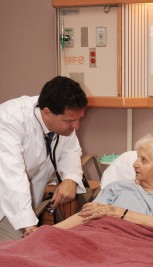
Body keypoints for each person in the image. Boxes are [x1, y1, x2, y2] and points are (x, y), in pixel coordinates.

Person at [0, 76, 88, 241]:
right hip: (7, 195)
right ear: (47, 113)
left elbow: (71, 151)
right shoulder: (9, 120)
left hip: (21, 199)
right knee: (16, 253)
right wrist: (28, 225)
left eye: (79, 119)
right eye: (70, 120)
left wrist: (70, 178)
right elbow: (13, 177)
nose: (77, 126)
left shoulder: (63, 121)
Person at [54, 134, 153, 231]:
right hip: (99, 238)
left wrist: (116, 211)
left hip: (137, 247)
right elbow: (87, 214)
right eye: (137, 158)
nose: (135, 164)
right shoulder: (117, 188)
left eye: (143, 160)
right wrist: (51, 231)